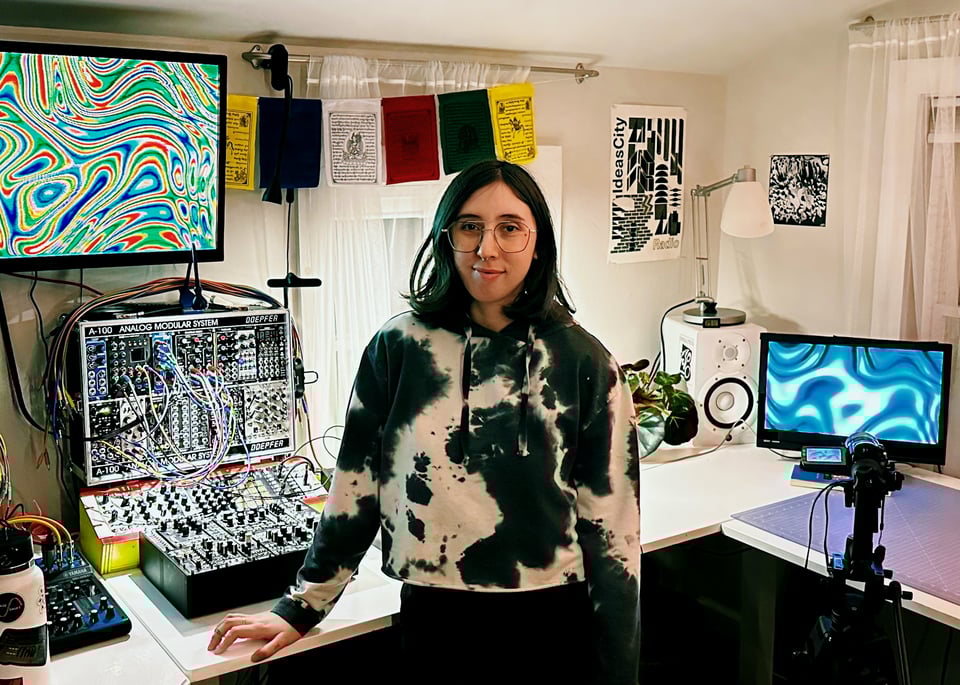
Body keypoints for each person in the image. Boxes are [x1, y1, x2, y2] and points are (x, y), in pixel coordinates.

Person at [208, 160, 641, 684]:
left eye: (509, 227)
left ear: (538, 241)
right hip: (434, 616)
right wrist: (301, 608)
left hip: (551, 621)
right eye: (469, 226)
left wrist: (618, 669)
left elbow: (614, 532)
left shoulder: (584, 362)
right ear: (444, 237)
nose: (487, 248)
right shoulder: (399, 348)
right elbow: (355, 491)